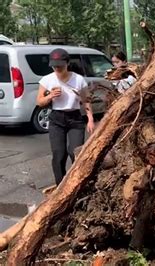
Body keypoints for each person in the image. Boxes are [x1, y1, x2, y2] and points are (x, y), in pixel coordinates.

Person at [36, 48, 95, 186]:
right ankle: (60, 187)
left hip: (75, 118)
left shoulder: (79, 80)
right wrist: (50, 96)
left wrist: (90, 119)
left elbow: (86, 100)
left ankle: (77, 184)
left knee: (75, 152)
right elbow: (39, 102)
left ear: (67, 63)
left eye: (60, 66)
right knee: (58, 155)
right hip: (56, 118)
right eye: (54, 66)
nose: (57, 68)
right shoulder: (46, 80)